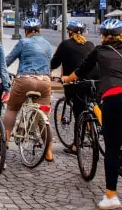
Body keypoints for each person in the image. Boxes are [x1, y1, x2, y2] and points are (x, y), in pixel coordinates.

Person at [62, 19, 122, 210]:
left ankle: (111, 196)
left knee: (111, 146)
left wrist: (66, 78)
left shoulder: (100, 51)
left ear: (103, 36)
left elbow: (81, 71)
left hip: (115, 97)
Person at [4, 18, 54, 162]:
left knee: (12, 108)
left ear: (26, 31)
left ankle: (5, 140)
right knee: (43, 117)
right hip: (44, 81)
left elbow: (8, 60)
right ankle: (49, 151)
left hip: (24, 80)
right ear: (39, 30)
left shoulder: (23, 42)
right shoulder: (47, 44)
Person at [50, 20, 99, 155]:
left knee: (79, 112)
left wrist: (47, 70)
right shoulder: (90, 44)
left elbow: (54, 63)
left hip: (75, 84)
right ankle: (94, 127)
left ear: (69, 32)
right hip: (94, 83)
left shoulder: (65, 45)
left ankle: (77, 145)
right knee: (92, 105)